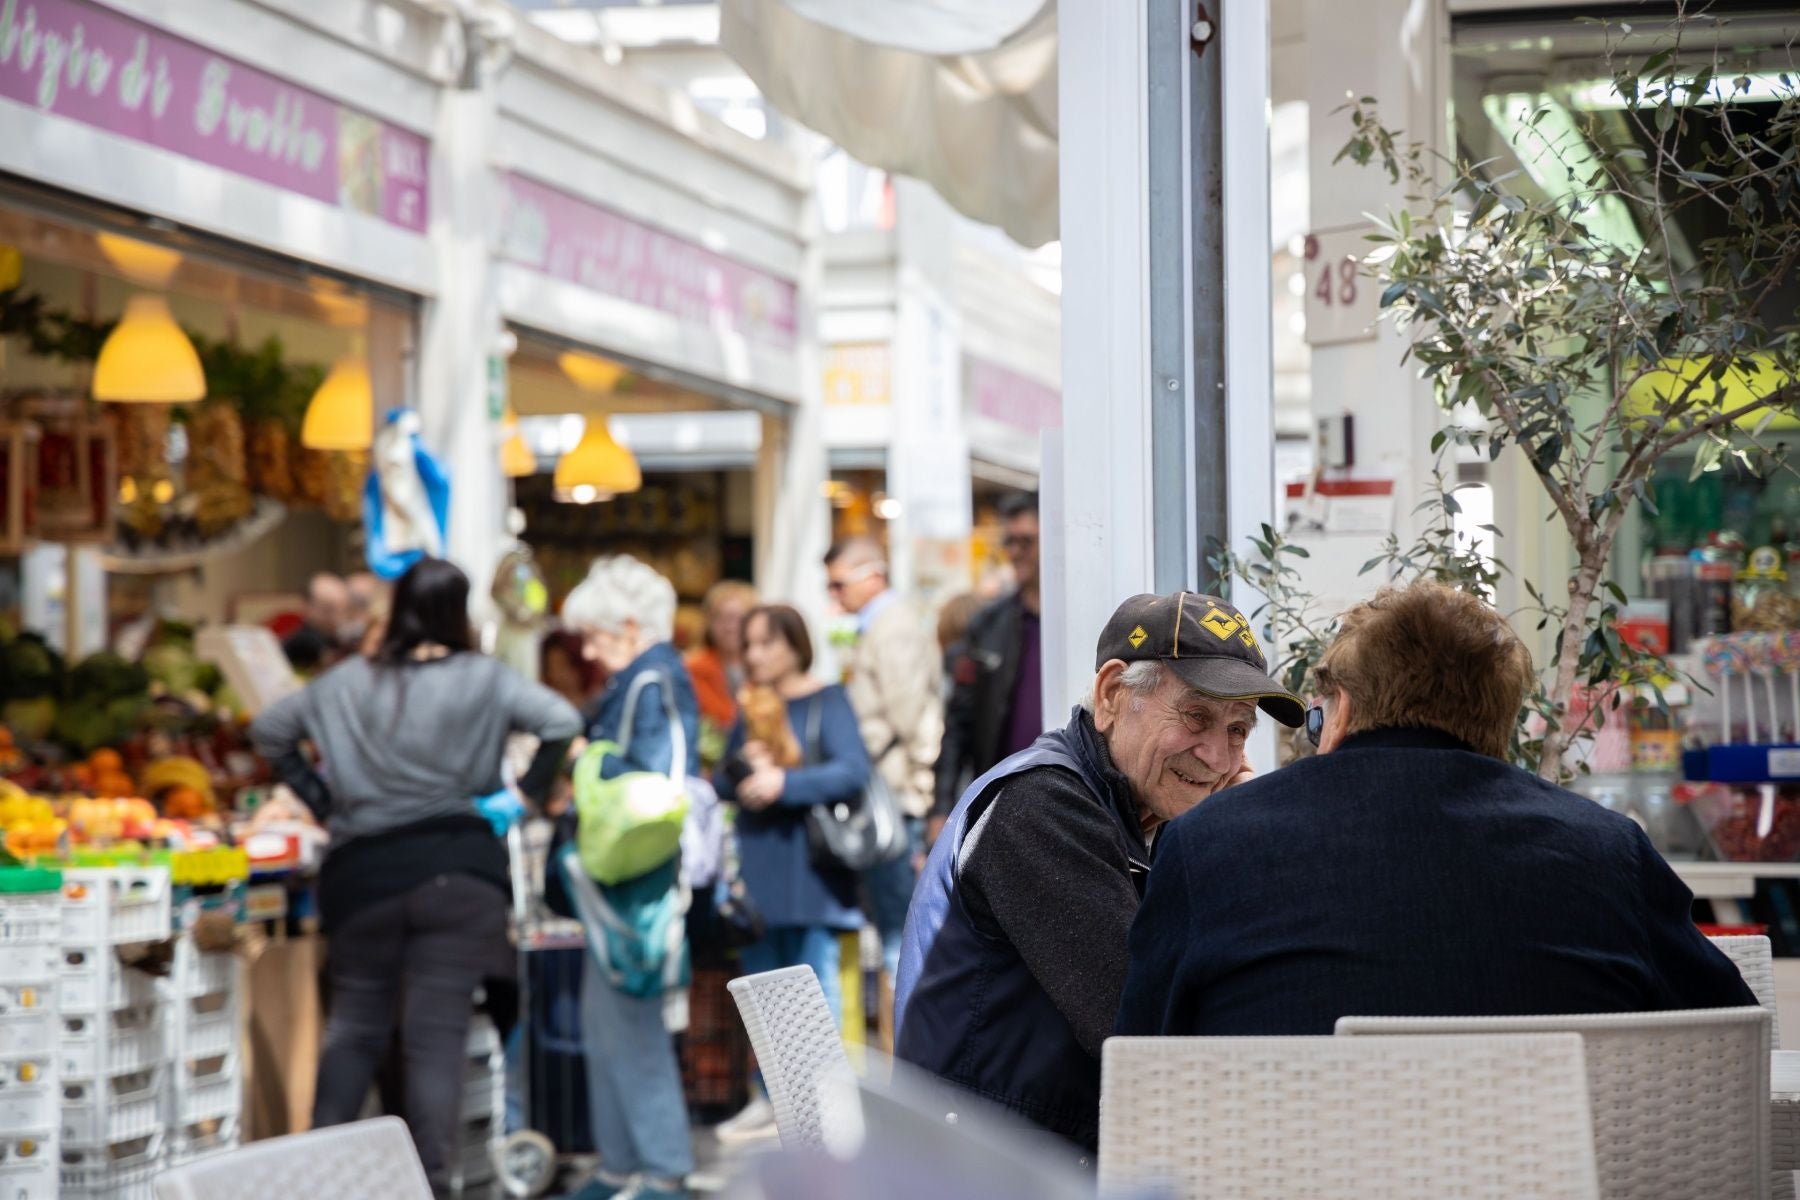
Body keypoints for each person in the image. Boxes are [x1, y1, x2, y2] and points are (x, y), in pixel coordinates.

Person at [1116, 581, 1759, 1040]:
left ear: (1337, 713)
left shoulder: (1206, 846)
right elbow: (1732, 1038)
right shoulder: (1608, 852)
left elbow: (1146, 1069)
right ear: (1499, 724)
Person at [896, 591, 1301, 1154]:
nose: (1219, 758)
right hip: (984, 1164)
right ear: (1112, 695)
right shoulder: (1041, 807)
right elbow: (1154, 1034)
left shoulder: (1128, 812)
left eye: (1238, 730)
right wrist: (1234, 851)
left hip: (1032, 1143)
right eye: (1196, 716)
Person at [251, 558, 580, 1196]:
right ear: (460, 613)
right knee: (437, 1037)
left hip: (362, 875)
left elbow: (270, 731)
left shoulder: (347, 682)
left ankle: (321, 1175)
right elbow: (561, 721)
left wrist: (322, 801)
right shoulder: (485, 679)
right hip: (460, 874)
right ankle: (430, 1184)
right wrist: (527, 794)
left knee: (354, 1027)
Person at [557, 556, 701, 1200]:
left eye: (593, 635)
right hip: (622, 876)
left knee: (630, 1024)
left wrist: (593, 761)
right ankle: (621, 1165)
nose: (587, 650)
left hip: (637, 881)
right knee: (607, 1022)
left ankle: (662, 1171)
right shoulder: (647, 679)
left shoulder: (653, 681)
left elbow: (658, 786)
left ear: (629, 624)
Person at [713, 604, 872, 1143]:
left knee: (815, 990)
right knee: (761, 990)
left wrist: (784, 783)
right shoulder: (752, 705)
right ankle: (771, 1101)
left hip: (812, 867)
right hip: (760, 865)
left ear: (794, 645)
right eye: (750, 644)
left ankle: (826, 1112)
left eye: (766, 643)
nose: (754, 654)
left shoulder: (827, 699)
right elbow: (719, 780)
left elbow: (852, 771)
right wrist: (745, 770)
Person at [823, 538, 941, 1005]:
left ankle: (910, 1063)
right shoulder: (879, 625)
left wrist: (919, 786)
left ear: (872, 574)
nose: (834, 594)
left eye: (838, 583)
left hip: (895, 796)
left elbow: (912, 715)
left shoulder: (892, 627)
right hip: (889, 792)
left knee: (900, 938)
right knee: (897, 934)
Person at [932, 493, 1042, 837]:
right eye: (1009, 541)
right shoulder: (987, 624)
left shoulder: (1083, 619)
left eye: (1026, 541)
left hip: (1076, 797)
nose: (1015, 552)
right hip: (1002, 802)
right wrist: (940, 809)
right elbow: (959, 722)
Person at [685, 579, 758, 749]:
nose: (730, 627)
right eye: (721, 617)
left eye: (738, 618)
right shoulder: (692, 668)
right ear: (709, 621)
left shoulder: (764, 668)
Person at [282, 571, 350, 669]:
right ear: (306, 605)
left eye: (343, 609)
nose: (337, 617)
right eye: (328, 609)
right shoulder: (301, 642)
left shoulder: (345, 638)